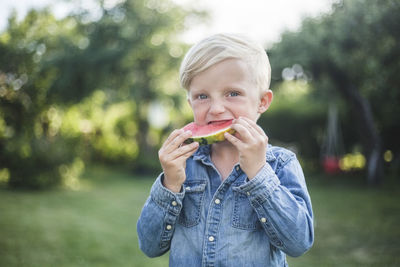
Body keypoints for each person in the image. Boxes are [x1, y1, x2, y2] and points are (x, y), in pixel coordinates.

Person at [137, 33, 314, 266]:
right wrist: (170, 184)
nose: (217, 108)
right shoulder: (182, 165)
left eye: (233, 93)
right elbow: (150, 246)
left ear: (262, 101)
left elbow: (298, 242)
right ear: (190, 103)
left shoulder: (280, 163)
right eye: (202, 96)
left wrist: (259, 174)